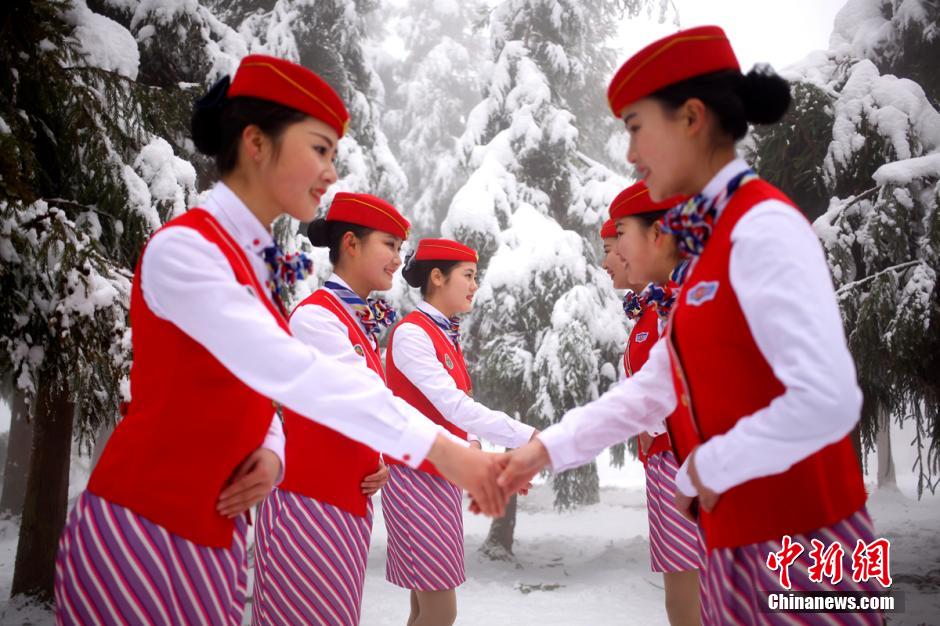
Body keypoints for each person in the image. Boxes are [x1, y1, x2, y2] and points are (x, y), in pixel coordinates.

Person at [54, 54, 505, 626]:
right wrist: (445, 451)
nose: (331, 173)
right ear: (256, 144)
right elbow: (293, 371)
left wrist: (270, 447)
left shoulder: (253, 264)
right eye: (319, 149)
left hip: (214, 536)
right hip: (142, 531)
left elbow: (258, 391)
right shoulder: (187, 249)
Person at [498, 26, 882, 624]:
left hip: (810, 545)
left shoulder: (763, 227)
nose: (629, 154)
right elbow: (653, 387)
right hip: (739, 544)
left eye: (634, 127)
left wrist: (706, 466)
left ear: (691, 118)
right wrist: (543, 450)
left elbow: (826, 400)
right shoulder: (708, 252)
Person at [252, 192, 413, 625]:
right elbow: (368, 399)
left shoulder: (352, 322)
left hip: (344, 508)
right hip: (306, 509)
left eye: (401, 248)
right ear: (352, 244)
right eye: (390, 244)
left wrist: (376, 459)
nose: (398, 258)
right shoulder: (317, 319)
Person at [381, 238, 537, 626]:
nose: (474, 285)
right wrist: (526, 436)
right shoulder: (412, 333)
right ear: (437, 277)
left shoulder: (441, 332)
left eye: (476, 277)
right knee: (440, 610)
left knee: (424, 608)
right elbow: (456, 406)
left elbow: (454, 418)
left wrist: (488, 461)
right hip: (416, 478)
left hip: (439, 476)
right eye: (468, 276)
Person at [610, 182, 705, 625]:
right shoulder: (654, 310)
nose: (612, 259)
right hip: (668, 464)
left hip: (689, 462)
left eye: (616, 242)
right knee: (683, 597)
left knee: (693, 597)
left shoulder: (689, 301)